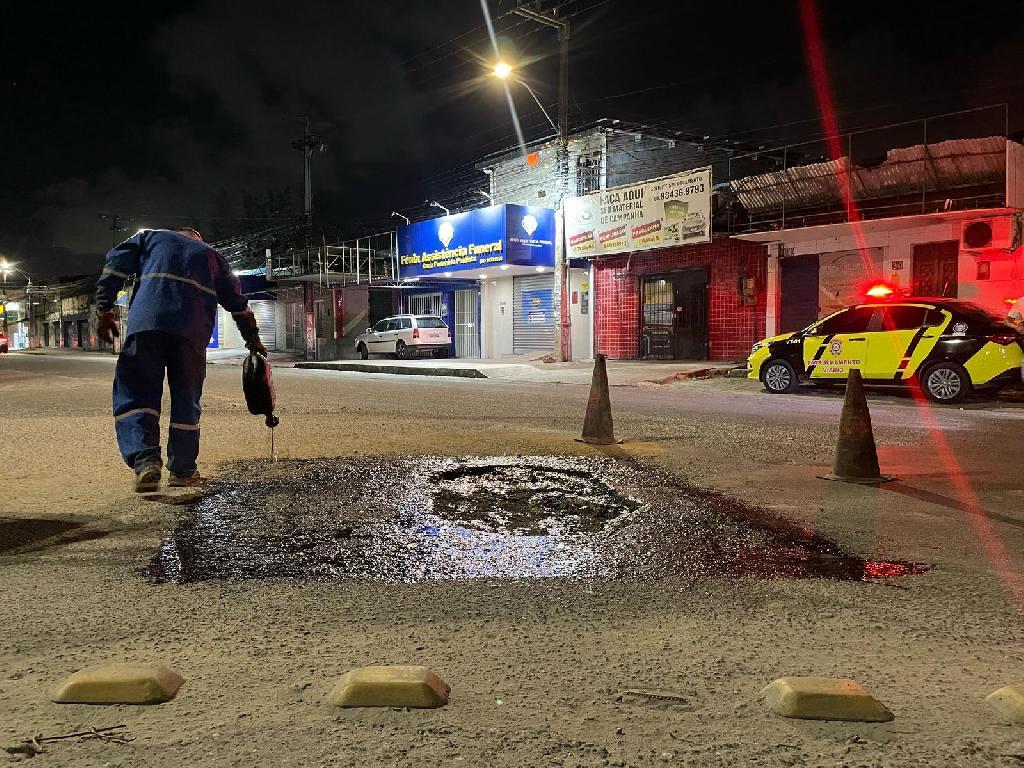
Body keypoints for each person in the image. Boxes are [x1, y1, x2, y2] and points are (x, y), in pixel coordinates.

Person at [95, 228, 268, 492]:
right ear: (197, 238)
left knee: (136, 393)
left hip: (147, 325)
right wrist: (253, 340)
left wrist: (104, 307)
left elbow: (116, 264)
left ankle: (145, 460)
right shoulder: (213, 256)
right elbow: (239, 305)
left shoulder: (150, 238)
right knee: (187, 401)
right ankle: (182, 470)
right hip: (191, 334)